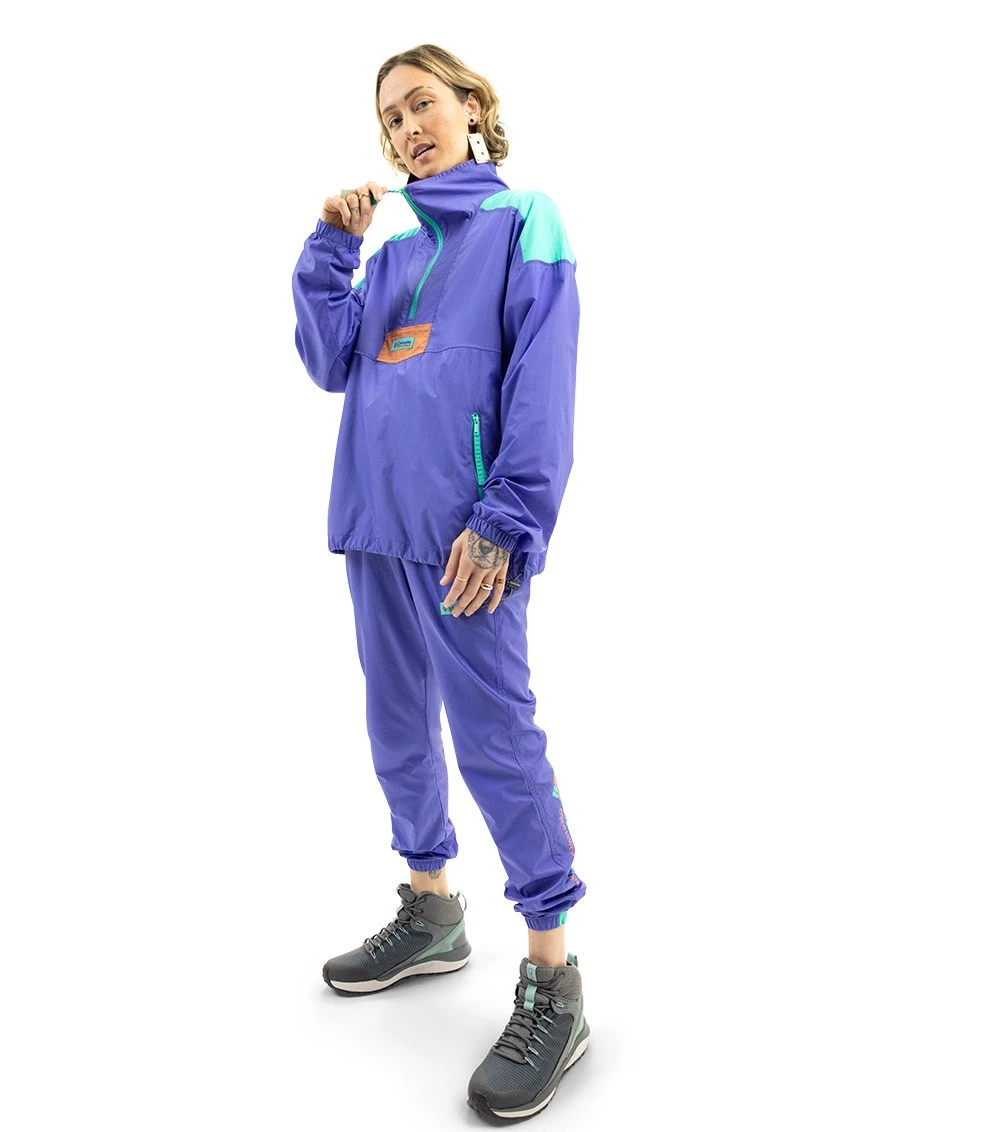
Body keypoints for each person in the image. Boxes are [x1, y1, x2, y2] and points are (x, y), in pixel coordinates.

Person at [290, 43, 587, 1121]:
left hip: (469, 540)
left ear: (471, 106)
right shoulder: (391, 250)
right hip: (376, 528)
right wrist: (331, 249)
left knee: (498, 742)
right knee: (397, 729)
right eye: (390, 118)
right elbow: (331, 360)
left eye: (422, 104)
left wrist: (506, 519)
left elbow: (543, 383)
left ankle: (553, 977)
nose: (407, 128)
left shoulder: (524, 222)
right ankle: (432, 909)